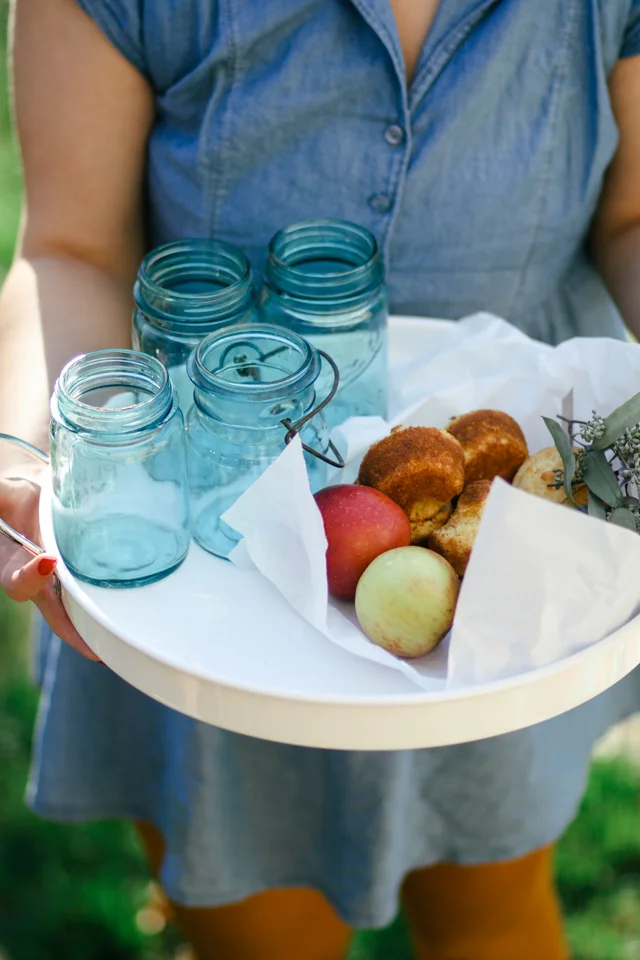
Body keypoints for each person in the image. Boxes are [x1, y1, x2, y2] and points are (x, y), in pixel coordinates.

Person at [2, 1, 640, 957]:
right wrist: (28, 453)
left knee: (493, 910)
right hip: (211, 565)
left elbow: (631, 216)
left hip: (515, 566)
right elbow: (71, 246)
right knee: (253, 928)